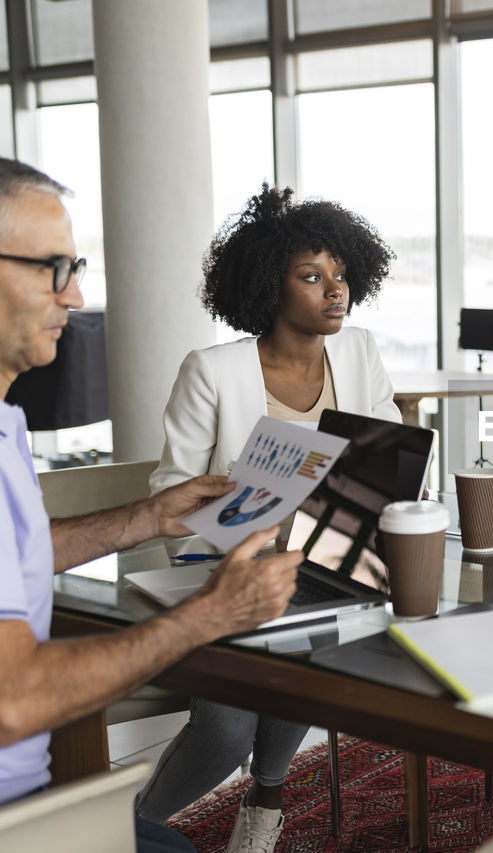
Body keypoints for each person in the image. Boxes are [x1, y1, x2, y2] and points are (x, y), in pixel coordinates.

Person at [0, 163, 300, 852]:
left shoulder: (7, 421)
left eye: (73, 266)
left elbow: (19, 548)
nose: (75, 295)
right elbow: (12, 699)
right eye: (51, 268)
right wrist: (209, 614)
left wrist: (146, 518)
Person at [136, 185, 401, 851]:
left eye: (341, 276)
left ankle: (270, 796)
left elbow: (390, 456)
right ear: (267, 286)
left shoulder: (359, 353)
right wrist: (247, 501)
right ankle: (118, 831)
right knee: (225, 731)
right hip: (233, 573)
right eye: (312, 277)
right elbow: (172, 494)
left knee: (334, 649)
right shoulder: (213, 371)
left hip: (333, 564)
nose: (334, 291)